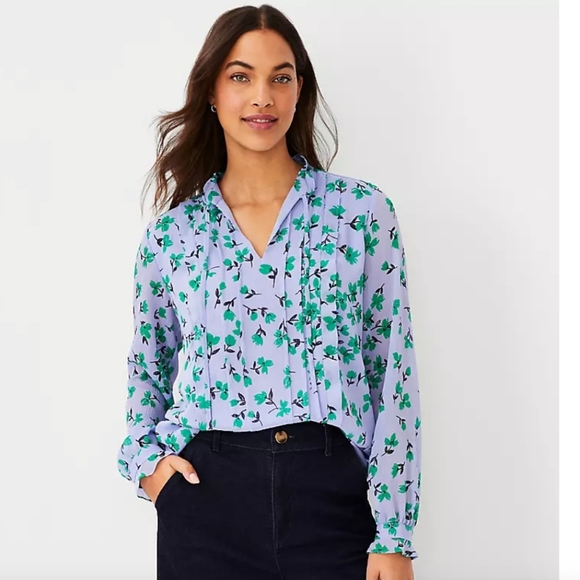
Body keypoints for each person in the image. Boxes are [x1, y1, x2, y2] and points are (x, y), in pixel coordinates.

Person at [116, 4, 422, 580]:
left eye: (280, 77)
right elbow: (147, 365)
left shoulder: (359, 214)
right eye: (241, 76)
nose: (262, 97)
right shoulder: (174, 235)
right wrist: (148, 466)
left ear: (299, 91)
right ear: (211, 91)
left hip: (333, 501)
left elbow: (392, 371)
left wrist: (395, 534)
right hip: (206, 502)